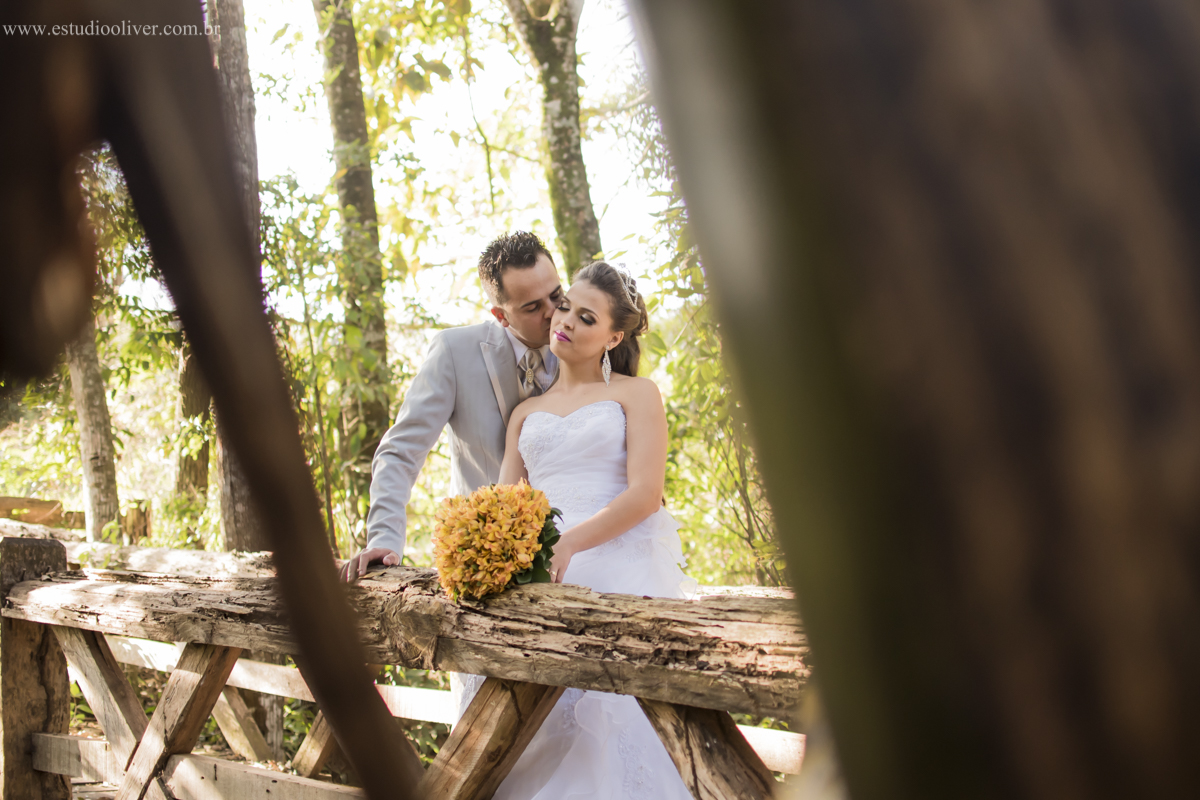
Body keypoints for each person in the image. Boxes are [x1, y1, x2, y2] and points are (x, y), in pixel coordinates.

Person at [486, 260, 697, 800]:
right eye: (563, 307)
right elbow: (503, 510)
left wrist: (571, 543)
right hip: (543, 570)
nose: (566, 321)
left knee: (603, 727)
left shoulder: (636, 394)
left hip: (613, 558)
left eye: (585, 317)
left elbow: (646, 496)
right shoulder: (525, 413)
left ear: (614, 335)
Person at [339, 231, 563, 581]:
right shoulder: (454, 352)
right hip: (488, 561)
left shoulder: (590, 341)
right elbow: (400, 451)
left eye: (556, 295)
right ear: (500, 315)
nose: (553, 314)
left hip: (581, 550)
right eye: (533, 307)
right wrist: (384, 537)